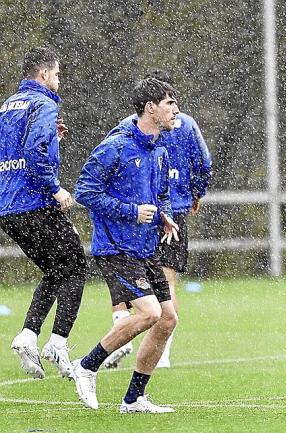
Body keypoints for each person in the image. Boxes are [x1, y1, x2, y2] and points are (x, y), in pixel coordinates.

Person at [71, 78, 180, 413]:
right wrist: (132, 212)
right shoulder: (115, 146)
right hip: (117, 247)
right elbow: (84, 192)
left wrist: (164, 215)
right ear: (150, 108)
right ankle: (87, 366)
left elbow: (161, 194)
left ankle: (134, 398)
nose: (175, 109)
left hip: (146, 249)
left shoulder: (160, 150)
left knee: (168, 319)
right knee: (149, 313)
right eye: (169, 103)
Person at [102, 70, 213, 370]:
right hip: (170, 210)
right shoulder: (186, 124)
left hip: (145, 211)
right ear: (153, 103)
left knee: (125, 278)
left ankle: (119, 340)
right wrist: (195, 192)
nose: (173, 108)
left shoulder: (128, 125)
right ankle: (161, 353)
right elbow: (204, 162)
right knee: (167, 281)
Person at [0, 47, 86, 380]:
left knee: (55, 270)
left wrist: (52, 138)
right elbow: (34, 153)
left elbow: (17, 149)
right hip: (34, 202)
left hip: (8, 207)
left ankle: (28, 335)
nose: (58, 80)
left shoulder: (7, 106)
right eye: (58, 74)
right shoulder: (44, 104)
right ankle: (58, 343)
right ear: (45, 75)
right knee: (76, 267)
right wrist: (55, 188)